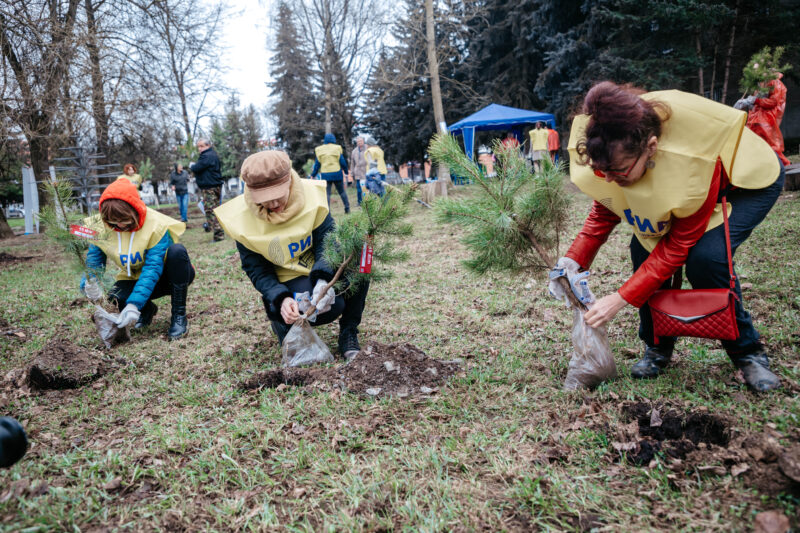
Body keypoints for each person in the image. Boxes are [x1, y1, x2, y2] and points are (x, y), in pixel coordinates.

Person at [553, 81, 785, 392]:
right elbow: (606, 210)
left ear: (650, 147)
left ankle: (748, 354)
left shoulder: (691, 162)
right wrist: (572, 260)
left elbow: (677, 248)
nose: (609, 179)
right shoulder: (618, 153)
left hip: (744, 184)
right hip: (681, 189)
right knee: (644, 250)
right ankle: (658, 346)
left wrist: (618, 299)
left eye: (618, 171)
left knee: (707, 258)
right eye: (602, 171)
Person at [214, 150, 369, 360]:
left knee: (361, 257)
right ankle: (281, 322)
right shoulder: (241, 221)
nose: (273, 205)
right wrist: (281, 298)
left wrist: (323, 279)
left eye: (277, 197)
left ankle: (349, 332)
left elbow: (327, 241)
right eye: (264, 200)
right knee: (332, 308)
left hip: (318, 270)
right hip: (287, 281)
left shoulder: (312, 198)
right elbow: (257, 270)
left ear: (289, 182)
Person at [80, 178, 194, 340]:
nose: (119, 225)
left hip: (166, 277)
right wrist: (90, 282)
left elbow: (152, 268)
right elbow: (94, 261)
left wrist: (134, 303)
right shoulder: (99, 227)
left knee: (177, 251)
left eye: (123, 220)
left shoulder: (155, 225)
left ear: (134, 211)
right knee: (115, 297)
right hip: (133, 278)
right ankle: (147, 310)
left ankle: (178, 315)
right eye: (113, 221)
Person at [746, 73, 790, 167]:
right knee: (758, 144)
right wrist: (751, 104)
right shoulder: (760, 82)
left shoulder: (774, 82)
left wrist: (756, 101)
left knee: (769, 144)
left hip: (765, 118)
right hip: (756, 119)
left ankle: (781, 165)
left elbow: (774, 101)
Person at [190, 138, 225, 241]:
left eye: (201, 146)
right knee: (215, 209)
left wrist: (192, 166)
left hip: (210, 187)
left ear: (208, 146)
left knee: (210, 210)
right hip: (215, 185)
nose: (199, 149)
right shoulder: (213, 155)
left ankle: (218, 235)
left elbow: (197, 168)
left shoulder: (206, 156)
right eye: (198, 147)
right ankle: (212, 227)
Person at [311, 133, 351, 214]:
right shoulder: (337, 148)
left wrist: (313, 174)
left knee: (327, 194)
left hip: (326, 174)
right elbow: (342, 162)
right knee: (342, 192)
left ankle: (327, 212)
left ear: (325, 140)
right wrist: (346, 171)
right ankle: (347, 208)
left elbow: (317, 164)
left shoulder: (319, 149)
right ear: (333, 140)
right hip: (337, 173)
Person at [349, 136, 367, 206]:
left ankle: (368, 201)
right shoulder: (354, 151)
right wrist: (352, 172)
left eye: (361, 141)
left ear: (363, 141)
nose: (359, 143)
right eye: (358, 142)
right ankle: (359, 202)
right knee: (359, 189)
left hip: (366, 171)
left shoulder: (367, 148)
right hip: (358, 172)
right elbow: (352, 163)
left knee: (368, 187)